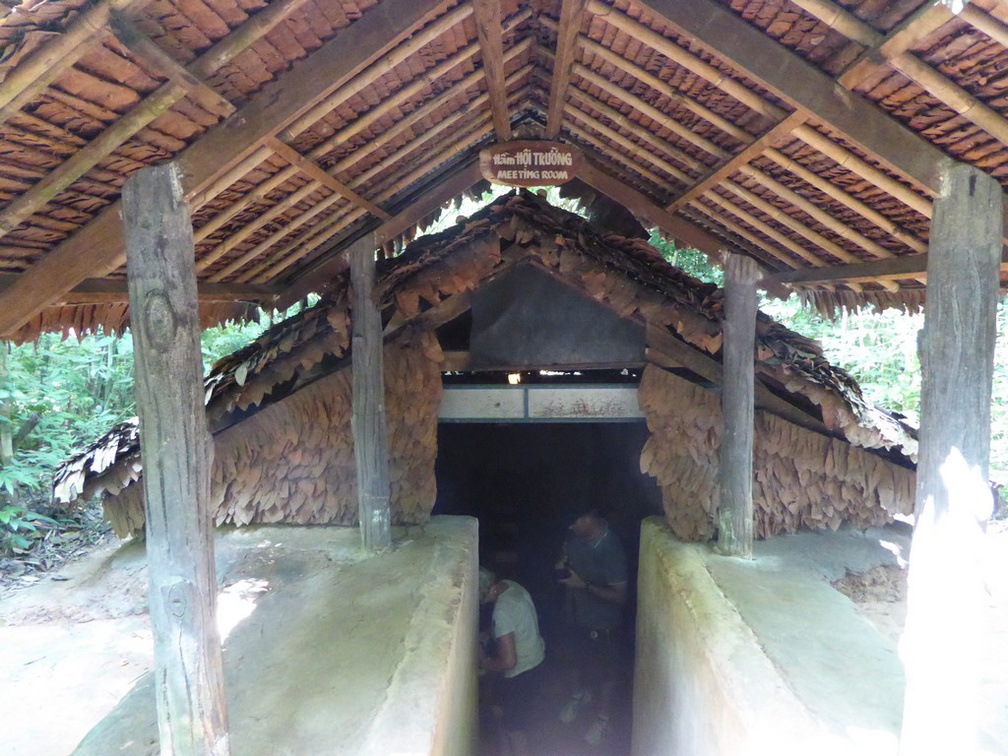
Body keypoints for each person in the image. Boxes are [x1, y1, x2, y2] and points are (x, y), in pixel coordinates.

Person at [555, 505, 628, 746]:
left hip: (602, 623)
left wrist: (583, 585)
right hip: (575, 616)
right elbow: (565, 556)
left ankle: (602, 719)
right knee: (574, 659)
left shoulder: (611, 549)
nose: (570, 527)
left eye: (574, 522)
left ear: (589, 518)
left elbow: (620, 596)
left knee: (605, 672)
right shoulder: (576, 536)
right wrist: (562, 564)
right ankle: (579, 695)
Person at [478, 567, 546, 754]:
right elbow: (511, 626)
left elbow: (509, 662)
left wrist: (483, 662)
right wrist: (487, 634)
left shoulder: (502, 610)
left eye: (480, 599)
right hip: (536, 659)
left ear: (485, 592)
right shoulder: (510, 585)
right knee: (511, 718)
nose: (482, 604)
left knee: (514, 728)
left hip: (522, 673)